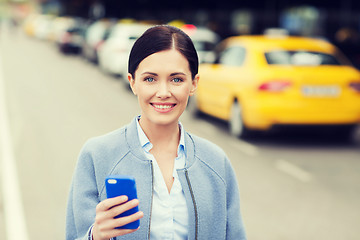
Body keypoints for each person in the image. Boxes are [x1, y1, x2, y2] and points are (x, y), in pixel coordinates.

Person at [66, 25, 247, 240]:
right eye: (150, 79)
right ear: (133, 82)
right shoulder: (97, 155)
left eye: (176, 79)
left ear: (193, 84)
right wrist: (94, 236)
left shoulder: (216, 161)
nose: (163, 92)